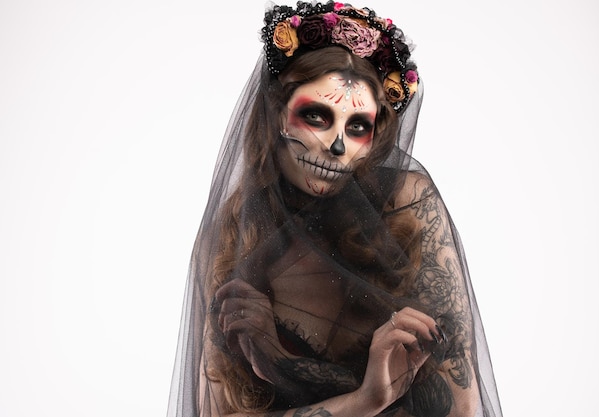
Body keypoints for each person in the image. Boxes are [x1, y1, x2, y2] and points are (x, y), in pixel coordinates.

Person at [167, 1, 502, 416]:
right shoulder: (233, 236)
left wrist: (284, 362)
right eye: (316, 116)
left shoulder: (407, 208)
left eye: (357, 126)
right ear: (277, 116)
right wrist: (366, 401)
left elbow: (462, 407)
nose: (337, 145)